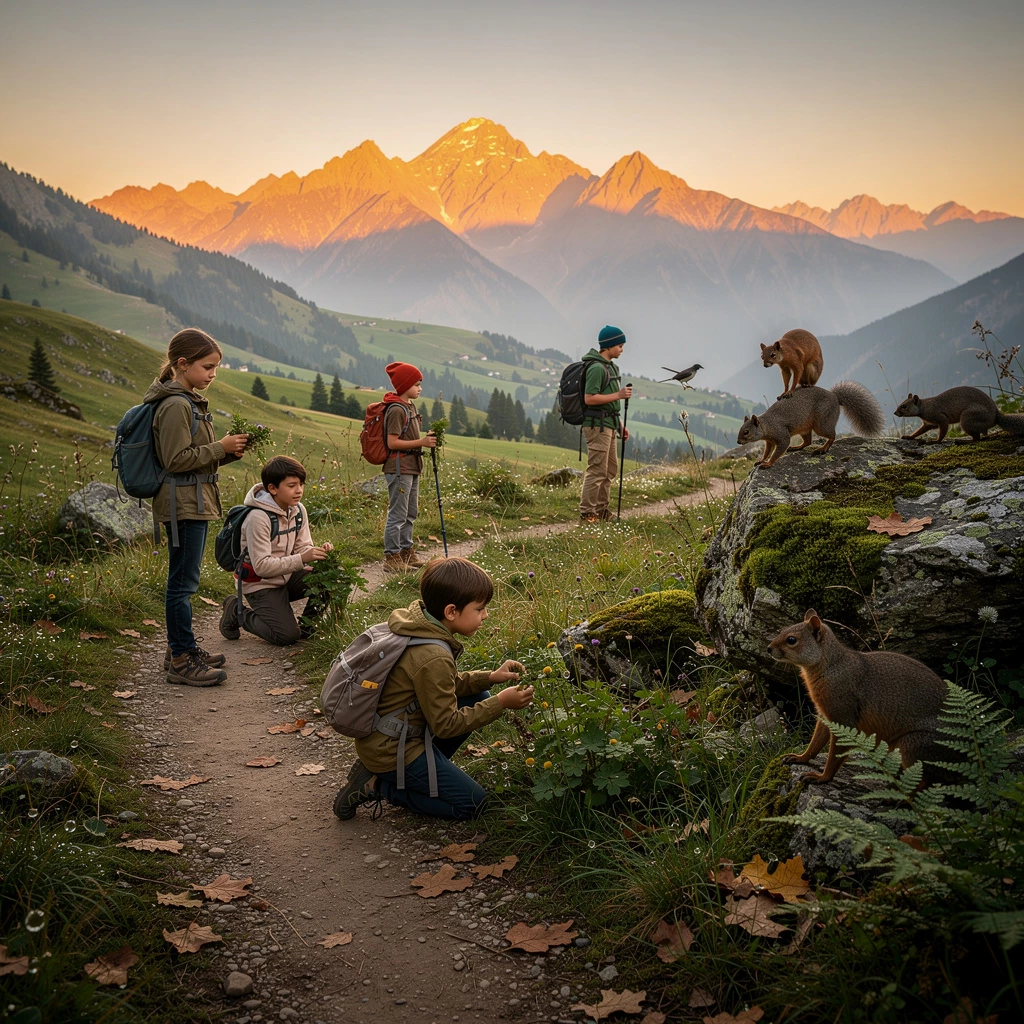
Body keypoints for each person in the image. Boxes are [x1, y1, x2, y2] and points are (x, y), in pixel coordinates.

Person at [332, 556, 534, 821]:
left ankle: (423, 772)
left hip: (390, 733)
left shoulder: (420, 625)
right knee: (473, 803)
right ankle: (377, 785)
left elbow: (444, 685)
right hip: (391, 751)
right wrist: (501, 703)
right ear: (451, 612)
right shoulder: (432, 655)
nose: (485, 615)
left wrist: (491, 678)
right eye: (480, 608)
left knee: (478, 695)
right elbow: (446, 725)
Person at [147, 327, 247, 686]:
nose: (212, 375)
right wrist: (220, 447)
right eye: (207, 367)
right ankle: (180, 659)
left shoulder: (186, 401)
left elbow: (195, 461)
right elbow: (176, 460)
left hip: (192, 500)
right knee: (183, 584)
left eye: (216, 368)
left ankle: (182, 648)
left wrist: (228, 454)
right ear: (182, 364)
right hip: (182, 504)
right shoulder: (175, 405)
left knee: (184, 581)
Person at [219, 456, 333, 646]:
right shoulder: (258, 518)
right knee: (286, 636)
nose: (299, 491)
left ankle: (307, 628)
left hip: (285, 575)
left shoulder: (297, 510)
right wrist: (302, 558)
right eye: (291, 485)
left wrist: (316, 552)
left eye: (301, 484)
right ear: (272, 488)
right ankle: (236, 611)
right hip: (259, 583)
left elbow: (302, 546)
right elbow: (262, 567)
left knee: (329, 577)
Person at [380, 361, 436, 573]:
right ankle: (392, 557)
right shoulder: (396, 410)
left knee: (410, 512)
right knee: (398, 514)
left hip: (411, 466)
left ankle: (406, 552)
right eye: (416, 384)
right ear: (404, 385)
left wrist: (425, 439)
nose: (420, 388)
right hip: (399, 467)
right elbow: (392, 442)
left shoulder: (409, 407)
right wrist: (421, 442)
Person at [579, 324, 632, 523]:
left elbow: (609, 403)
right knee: (597, 469)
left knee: (610, 469)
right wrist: (618, 395)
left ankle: (602, 510)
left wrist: (619, 425)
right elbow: (590, 398)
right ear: (608, 346)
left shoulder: (611, 367)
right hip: (596, 425)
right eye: (619, 345)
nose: (622, 349)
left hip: (609, 424)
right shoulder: (596, 368)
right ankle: (587, 513)